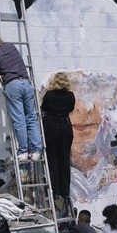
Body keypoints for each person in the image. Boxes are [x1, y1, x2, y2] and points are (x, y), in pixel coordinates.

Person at [0, 33, 42, 162]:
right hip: (26, 83)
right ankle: (37, 151)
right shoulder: (11, 46)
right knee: (31, 118)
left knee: (19, 120)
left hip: (12, 85)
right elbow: (3, 55)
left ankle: (23, 152)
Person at [41, 72, 75, 200]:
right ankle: (65, 192)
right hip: (65, 127)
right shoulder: (70, 96)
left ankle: (55, 191)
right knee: (64, 159)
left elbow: (44, 108)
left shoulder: (49, 95)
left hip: (51, 126)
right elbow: (70, 108)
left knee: (53, 159)